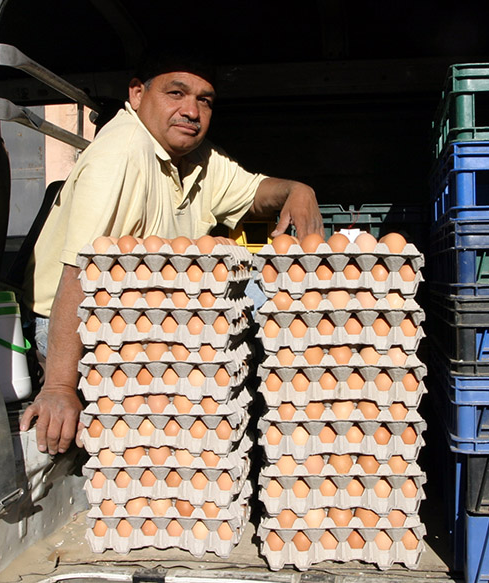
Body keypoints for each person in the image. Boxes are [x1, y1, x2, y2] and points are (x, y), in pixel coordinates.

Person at [19, 51, 323, 455]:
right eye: (176, 93)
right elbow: (79, 274)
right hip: (74, 323)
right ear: (138, 93)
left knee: (265, 294)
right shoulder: (123, 153)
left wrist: (296, 189)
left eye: (204, 100)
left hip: (142, 311)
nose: (191, 111)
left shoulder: (196, 157)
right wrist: (58, 385)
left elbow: (253, 193)